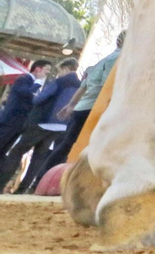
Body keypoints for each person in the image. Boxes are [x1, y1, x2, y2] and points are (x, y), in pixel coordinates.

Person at [37, 34, 121, 181]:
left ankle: (42, 178)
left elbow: (83, 86)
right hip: (94, 109)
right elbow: (107, 87)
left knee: (66, 145)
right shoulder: (118, 59)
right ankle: (61, 180)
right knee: (81, 148)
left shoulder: (102, 61)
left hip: (82, 107)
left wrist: (71, 105)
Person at [0, 57, 78, 191]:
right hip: (61, 127)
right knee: (38, 158)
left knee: (16, 152)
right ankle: (23, 190)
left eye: (59, 71)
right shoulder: (79, 85)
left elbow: (39, 99)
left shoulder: (60, 81)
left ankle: (1, 184)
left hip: (42, 123)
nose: (58, 74)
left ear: (66, 68)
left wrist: (37, 93)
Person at [0, 60, 51, 160]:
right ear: (38, 69)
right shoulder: (23, 79)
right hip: (10, 120)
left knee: (4, 150)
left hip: (20, 123)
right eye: (47, 69)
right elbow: (27, 93)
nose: (48, 72)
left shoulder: (33, 83)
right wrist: (39, 82)